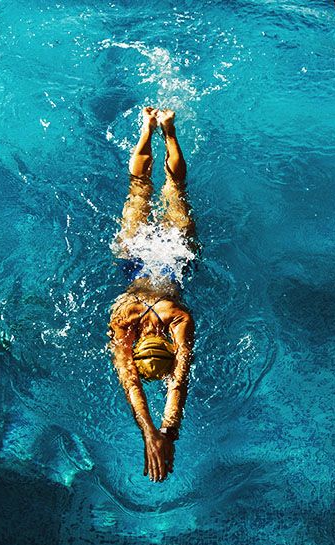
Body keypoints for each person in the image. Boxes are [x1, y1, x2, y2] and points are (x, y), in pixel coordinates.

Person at [108, 108, 196, 482]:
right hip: (134, 253)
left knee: (173, 191)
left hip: (175, 253)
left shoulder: (178, 318)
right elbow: (132, 377)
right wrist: (156, 430)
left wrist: (160, 433)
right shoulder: (125, 316)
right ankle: (151, 128)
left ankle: (167, 130)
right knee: (140, 186)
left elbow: (177, 378)